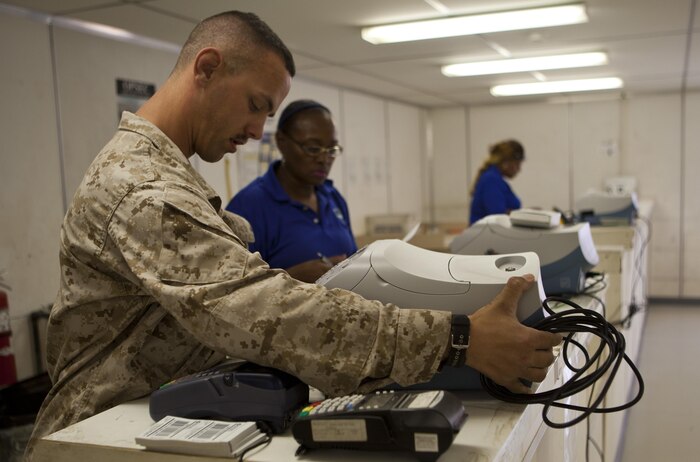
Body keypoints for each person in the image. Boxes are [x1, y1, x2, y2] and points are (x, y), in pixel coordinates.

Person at [25, 11, 560, 460]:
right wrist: (458, 339)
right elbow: (262, 312)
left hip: (158, 423)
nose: (259, 130)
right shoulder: (142, 189)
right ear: (207, 68)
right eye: (256, 104)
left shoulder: (167, 176)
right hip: (98, 437)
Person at [226, 99, 356, 283]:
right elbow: (230, 292)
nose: (324, 158)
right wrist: (289, 279)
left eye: (331, 149)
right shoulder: (248, 207)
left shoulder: (333, 197)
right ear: (282, 142)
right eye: (313, 148)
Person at [469, 139, 525, 224]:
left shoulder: (495, 179)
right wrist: (526, 215)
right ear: (506, 162)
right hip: (487, 235)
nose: (519, 169)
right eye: (517, 164)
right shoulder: (491, 180)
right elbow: (498, 216)